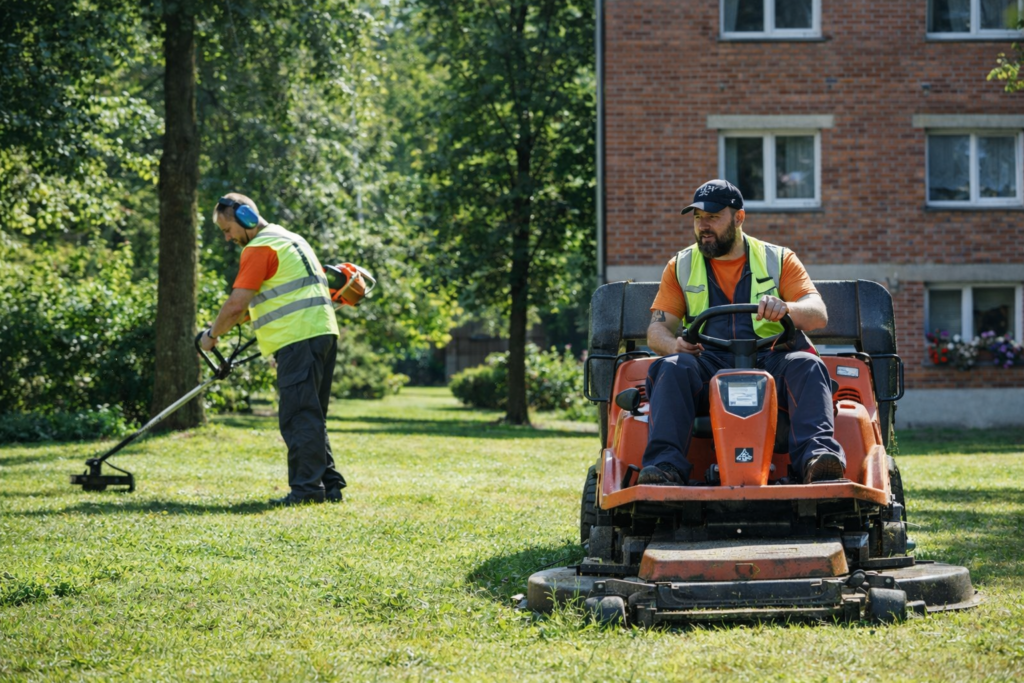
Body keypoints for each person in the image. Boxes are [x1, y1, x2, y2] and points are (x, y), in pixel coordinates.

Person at [638, 179, 846, 486]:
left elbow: (818, 314)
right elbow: (657, 329)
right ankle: (664, 467)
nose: (703, 226)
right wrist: (673, 346)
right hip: (708, 363)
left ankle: (818, 460)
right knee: (671, 367)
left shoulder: (779, 258)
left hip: (772, 359)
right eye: (698, 217)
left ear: (739, 217)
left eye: (713, 217)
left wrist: (786, 308)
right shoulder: (680, 265)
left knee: (807, 364)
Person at [201, 193, 347, 505]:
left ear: (246, 218)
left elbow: (237, 304)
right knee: (311, 415)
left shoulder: (259, 247)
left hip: (298, 338)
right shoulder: (291, 239)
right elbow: (257, 303)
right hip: (322, 333)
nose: (227, 238)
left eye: (227, 230)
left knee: (299, 417)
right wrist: (227, 324)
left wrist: (211, 336)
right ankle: (329, 486)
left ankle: (307, 491)